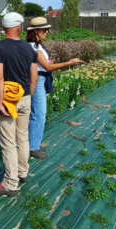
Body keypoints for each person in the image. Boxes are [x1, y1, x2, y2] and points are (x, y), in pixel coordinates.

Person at [0, 12, 38, 198]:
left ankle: (10, 184)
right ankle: (23, 173)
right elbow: (34, 77)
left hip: (7, 101)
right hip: (25, 97)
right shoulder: (29, 48)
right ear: (19, 27)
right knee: (22, 138)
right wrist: (28, 96)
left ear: (3, 27)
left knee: (8, 143)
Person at [26, 17, 84, 158]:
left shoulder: (38, 46)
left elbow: (45, 65)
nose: (47, 32)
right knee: (38, 115)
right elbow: (46, 67)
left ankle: (34, 143)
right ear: (35, 31)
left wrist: (48, 62)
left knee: (38, 114)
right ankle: (32, 148)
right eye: (44, 30)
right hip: (37, 80)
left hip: (41, 79)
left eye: (47, 29)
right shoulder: (33, 47)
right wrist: (69, 62)